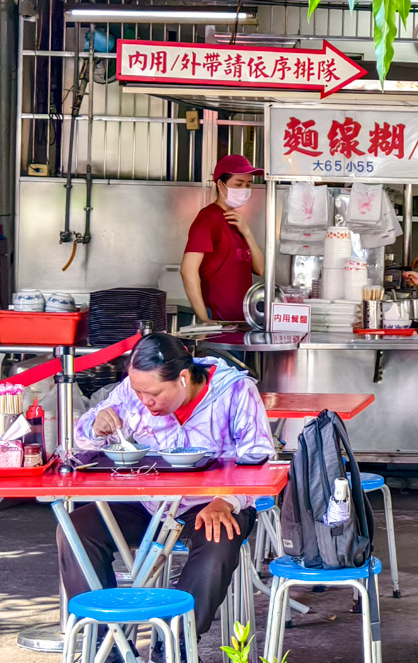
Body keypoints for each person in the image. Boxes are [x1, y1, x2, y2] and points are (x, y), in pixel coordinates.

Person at [57, 333, 273, 648]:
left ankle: (175, 646)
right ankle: (106, 644)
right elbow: (80, 444)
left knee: (219, 538)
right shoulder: (133, 391)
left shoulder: (235, 391)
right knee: (77, 530)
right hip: (149, 504)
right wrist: (95, 427)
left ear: (183, 378)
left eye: (154, 393)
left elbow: (258, 461)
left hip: (212, 503)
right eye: (138, 392)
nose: (145, 401)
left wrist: (226, 501)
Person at [182, 154, 265, 324]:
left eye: (248, 185)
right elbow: (187, 270)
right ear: (221, 185)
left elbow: (260, 269)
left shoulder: (237, 221)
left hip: (241, 322)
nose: (244, 189)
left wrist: (247, 232)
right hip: (218, 321)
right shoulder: (208, 218)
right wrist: (204, 318)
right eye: (238, 184)